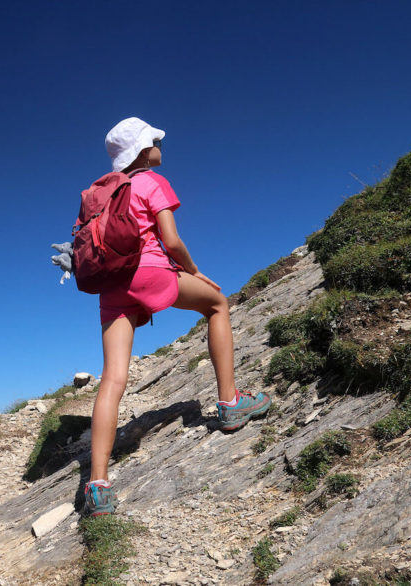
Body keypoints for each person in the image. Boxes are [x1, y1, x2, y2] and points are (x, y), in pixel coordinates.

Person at [83, 117, 271, 516]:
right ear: (141, 149)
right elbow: (170, 240)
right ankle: (231, 402)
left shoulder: (103, 194)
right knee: (217, 305)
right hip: (149, 272)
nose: (160, 145)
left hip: (112, 286)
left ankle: (97, 486)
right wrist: (194, 271)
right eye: (155, 140)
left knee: (113, 378)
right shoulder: (150, 182)